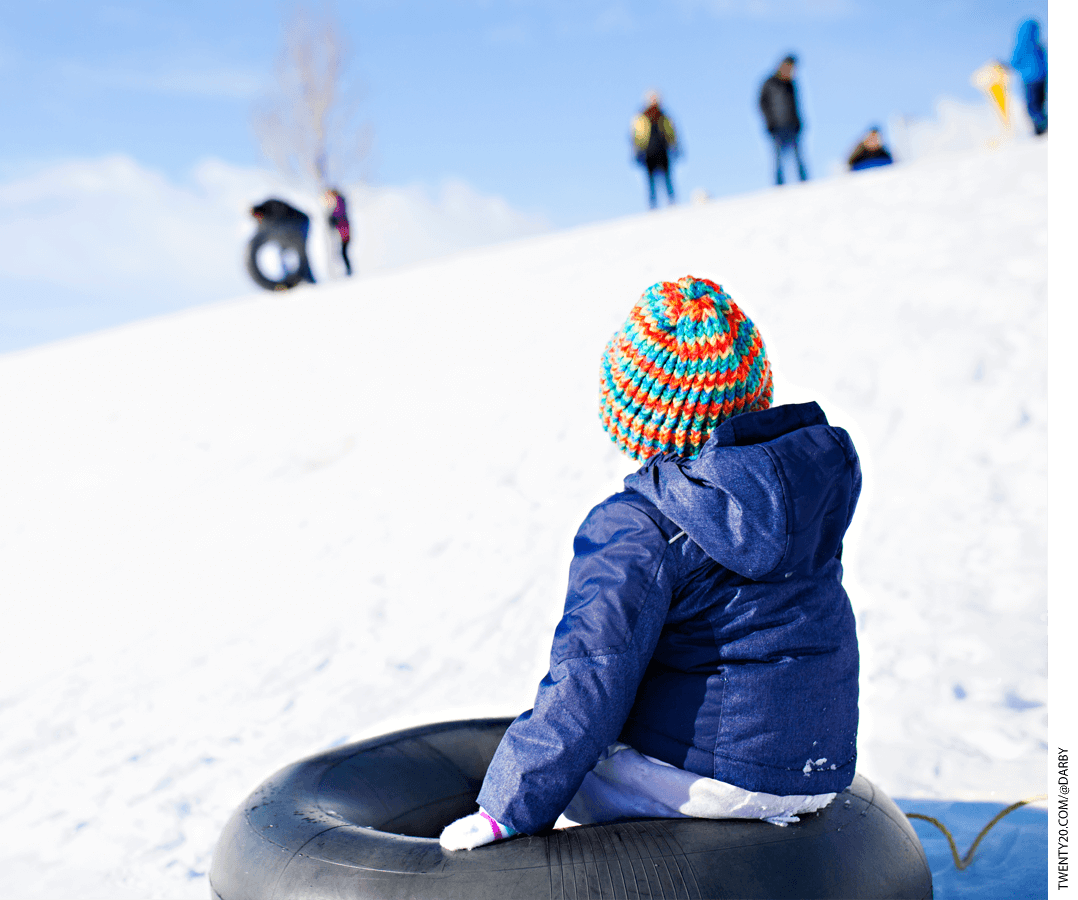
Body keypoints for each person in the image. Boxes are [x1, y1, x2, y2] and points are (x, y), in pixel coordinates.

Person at [440, 276, 861, 850]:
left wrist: (507, 810)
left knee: (581, 771)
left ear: (635, 415)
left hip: (712, 777)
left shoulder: (636, 528)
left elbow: (592, 673)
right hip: (815, 769)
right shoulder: (803, 489)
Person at [759, 55, 808, 185]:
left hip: (792, 125)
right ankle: (779, 185)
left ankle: (804, 182)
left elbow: (796, 105)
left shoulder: (791, 84)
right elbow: (762, 104)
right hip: (777, 127)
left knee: (798, 157)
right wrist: (770, 123)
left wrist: (798, 123)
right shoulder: (770, 83)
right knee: (778, 159)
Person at [249, 198, 316, 287]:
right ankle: (288, 282)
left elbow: (280, 219)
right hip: (289, 231)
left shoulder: (271, 205)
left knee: (301, 251)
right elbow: (263, 230)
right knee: (282, 252)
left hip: (301, 222)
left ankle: (309, 280)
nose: (259, 220)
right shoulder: (264, 219)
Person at [631, 92, 678, 209]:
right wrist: (637, 150)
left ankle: (671, 202)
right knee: (651, 180)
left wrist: (674, 145)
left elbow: (670, 131)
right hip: (649, 152)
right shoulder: (642, 117)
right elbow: (636, 135)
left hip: (662, 150)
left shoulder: (663, 116)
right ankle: (653, 205)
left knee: (667, 178)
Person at [1010, 19, 1047, 135]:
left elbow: (1014, 62)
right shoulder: (1039, 47)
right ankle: (1040, 131)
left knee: (1032, 108)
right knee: (1039, 106)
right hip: (1042, 80)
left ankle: (1043, 128)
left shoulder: (1022, 46)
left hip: (1030, 81)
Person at [325, 188, 352, 276]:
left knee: (343, 252)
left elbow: (339, 213)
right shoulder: (339, 202)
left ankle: (348, 271)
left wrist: (332, 217)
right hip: (342, 229)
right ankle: (347, 271)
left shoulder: (339, 200)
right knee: (342, 252)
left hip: (344, 230)